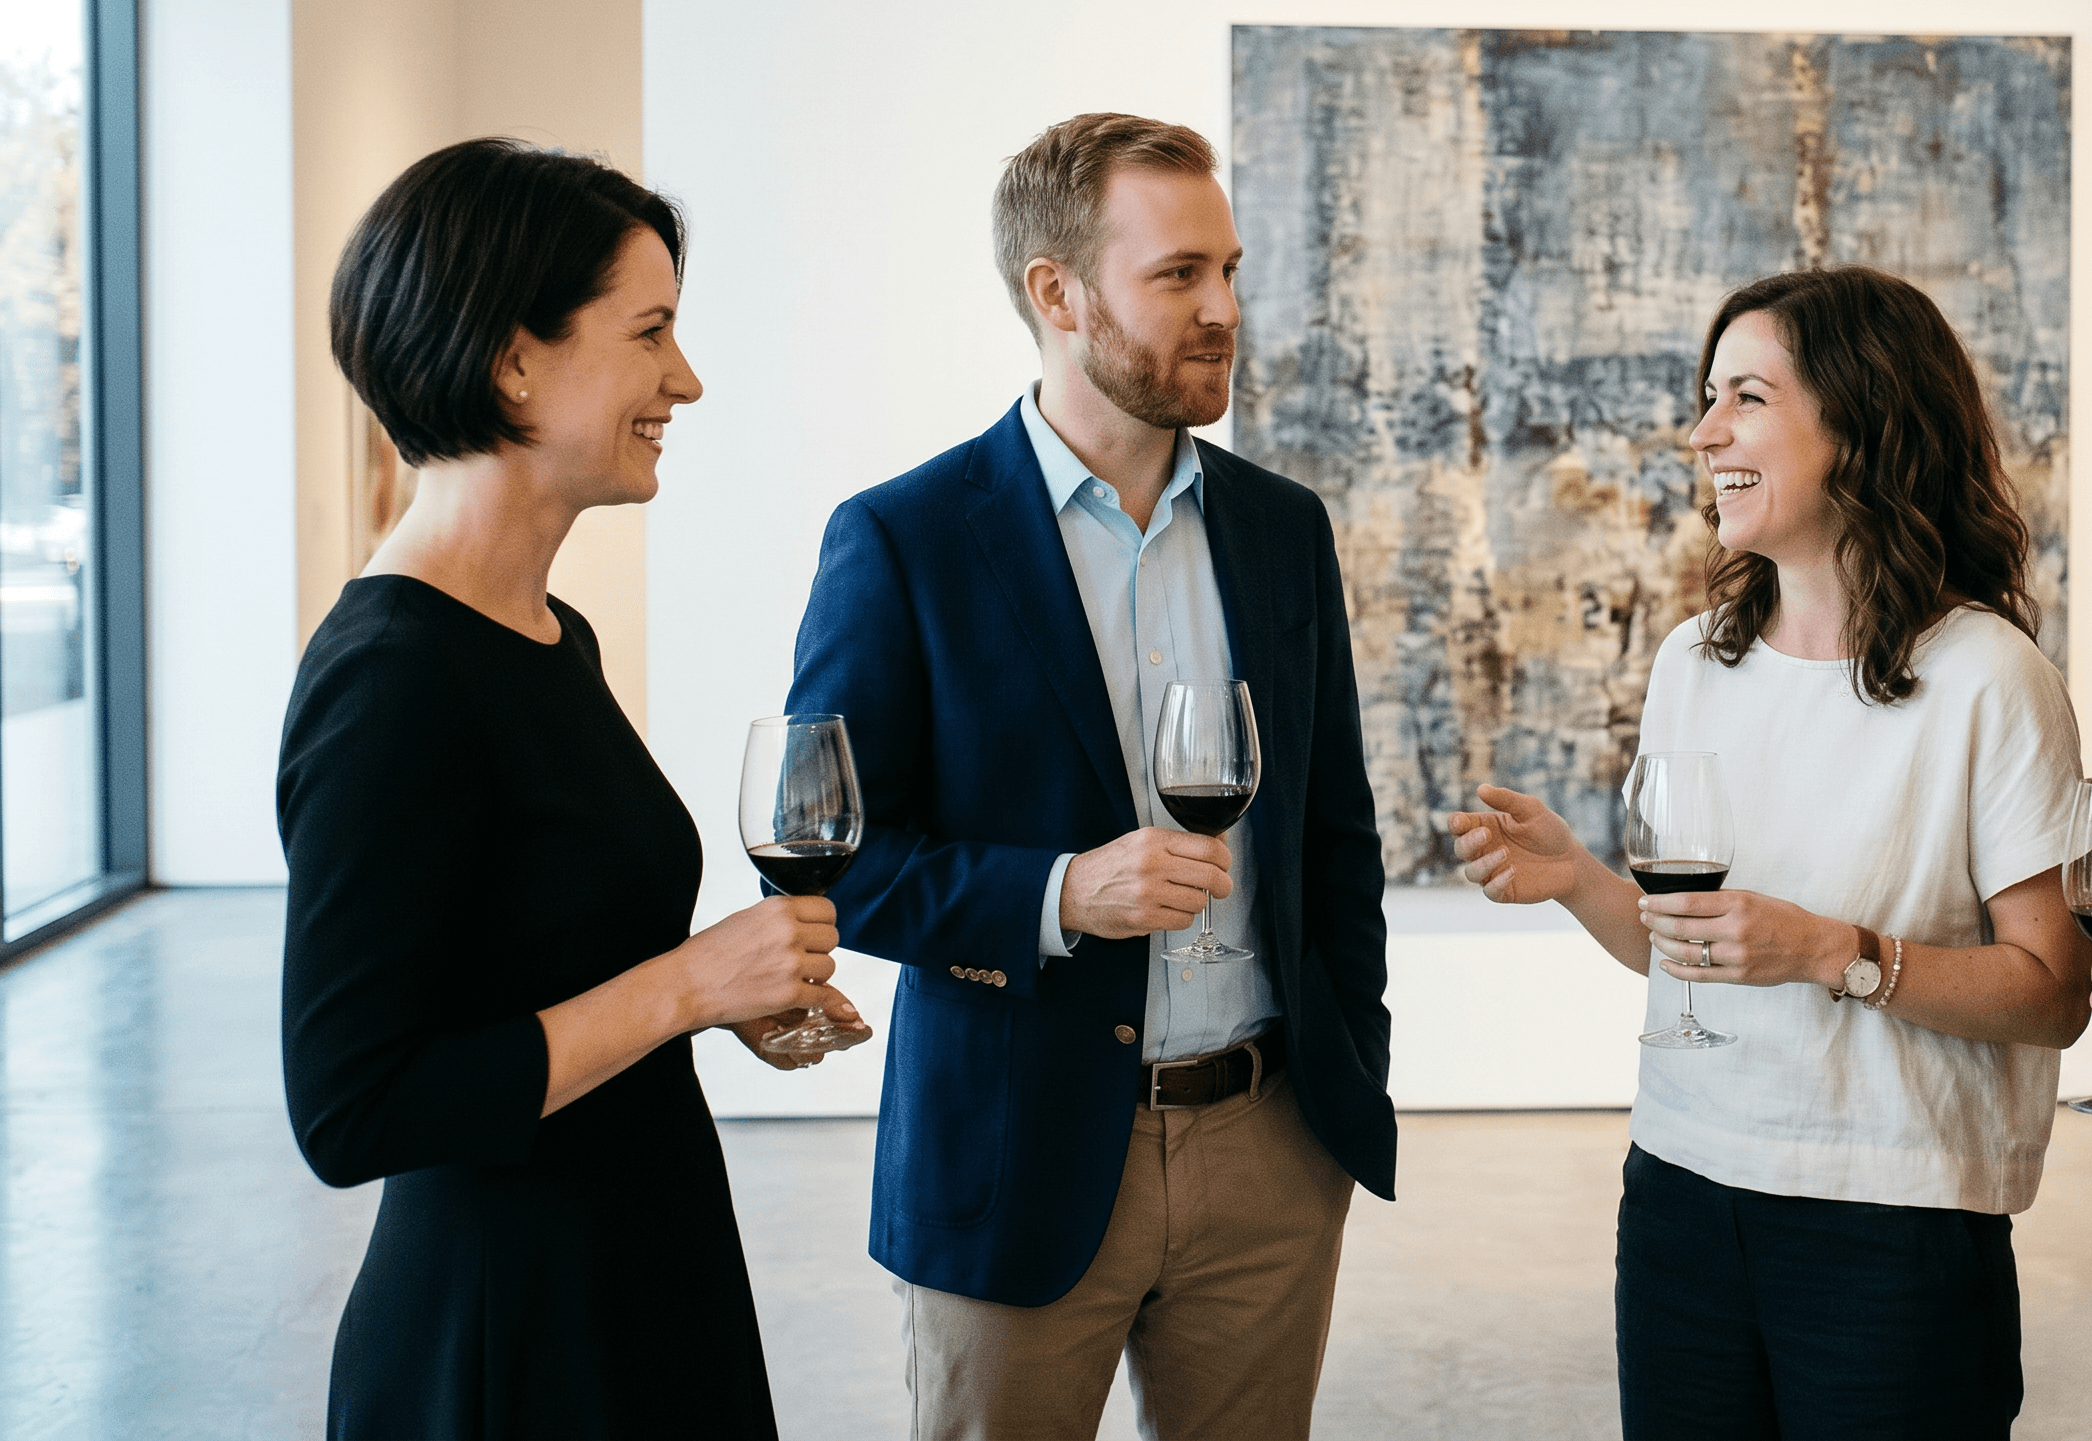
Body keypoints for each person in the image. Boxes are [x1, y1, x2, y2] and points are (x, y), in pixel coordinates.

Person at [785, 112, 1395, 1440]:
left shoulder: (1282, 530)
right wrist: (1062, 895)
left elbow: (1332, 838)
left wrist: (1345, 1087)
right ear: (1054, 293)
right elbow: (834, 863)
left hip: (1269, 1154)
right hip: (1014, 1154)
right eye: (1179, 275)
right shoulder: (903, 539)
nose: (1224, 308)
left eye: (1227, 269)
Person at [279, 140, 868, 1438]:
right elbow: (351, 1103)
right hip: (509, 1343)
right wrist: (688, 985)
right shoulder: (394, 683)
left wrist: (716, 1008)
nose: (687, 379)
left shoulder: (546, 632)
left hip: (632, 1276)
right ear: (513, 358)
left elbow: (535, 970)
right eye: (650, 331)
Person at [1449, 265, 2092, 1438]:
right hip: (1680, 1192)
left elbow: (2052, 994)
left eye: (1746, 397)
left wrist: (1833, 954)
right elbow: (1688, 958)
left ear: (1863, 421)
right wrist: (1579, 885)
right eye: (1707, 398)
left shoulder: (1989, 679)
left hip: (1889, 1224)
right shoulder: (1698, 659)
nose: (1704, 434)